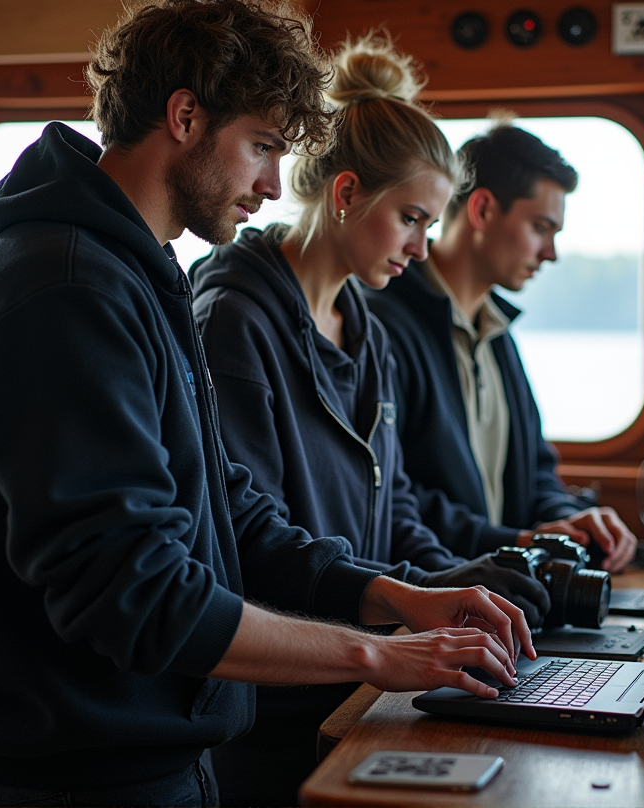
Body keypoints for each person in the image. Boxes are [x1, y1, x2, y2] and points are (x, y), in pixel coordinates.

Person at [0, 4, 532, 806]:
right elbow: (135, 592)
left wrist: (392, 597)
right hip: (80, 780)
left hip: (162, 756)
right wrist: (374, 655)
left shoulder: (139, 273)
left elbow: (225, 507)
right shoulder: (62, 291)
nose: (272, 186)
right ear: (185, 115)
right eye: (263, 147)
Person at [188, 36, 550, 805]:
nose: (424, 248)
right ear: (347, 192)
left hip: (367, 680)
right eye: (413, 219)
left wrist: (455, 588)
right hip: (279, 698)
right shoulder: (233, 320)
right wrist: (402, 603)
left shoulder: (368, 328)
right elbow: (250, 538)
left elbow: (397, 511)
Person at [365, 123, 640, 572]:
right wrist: (516, 541)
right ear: (483, 209)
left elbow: (534, 470)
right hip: (429, 599)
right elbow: (392, 497)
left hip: (501, 591)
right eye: (540, 227)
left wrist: (565, 517)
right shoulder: (384, 325)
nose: (550, 252)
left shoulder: (499, 334)